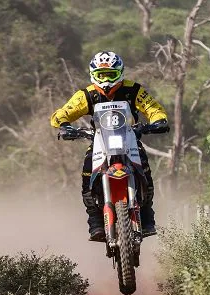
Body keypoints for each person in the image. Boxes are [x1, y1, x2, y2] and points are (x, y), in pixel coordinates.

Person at [50, 51, 169, 242]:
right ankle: (96, 223)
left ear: (120, 73)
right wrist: (65, 127)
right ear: (93, 74)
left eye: (111, 75)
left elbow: (153, 108)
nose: (106, 80)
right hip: (99, 140)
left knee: (145, 171)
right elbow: (62, 113)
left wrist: (157, 122)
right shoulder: (86, 95)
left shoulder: (134, 90)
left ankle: (147, 217)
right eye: (101, 75)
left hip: (128, 138)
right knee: (87, 177)